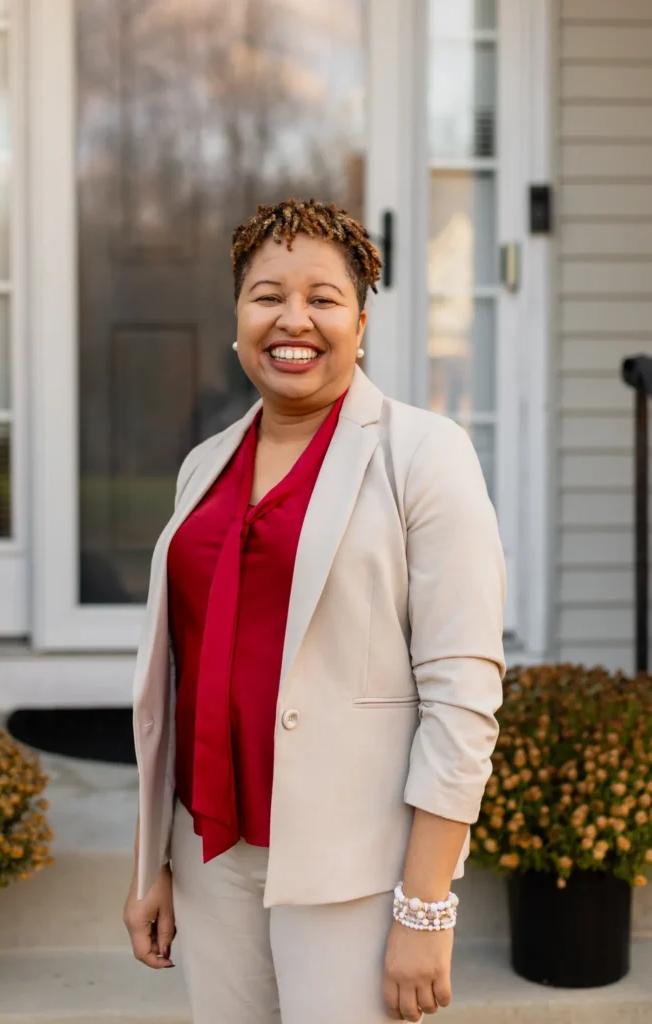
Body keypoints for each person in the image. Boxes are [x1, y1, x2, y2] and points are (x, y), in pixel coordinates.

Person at [123, 197, 506, 1023]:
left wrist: (424, 906)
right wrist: (152, 860)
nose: (292, 318)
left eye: (322, 298)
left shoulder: (423, 455)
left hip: (353, 870)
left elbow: (461, 696)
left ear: (360, 322)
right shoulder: (203, 466)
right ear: (237, 318)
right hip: (209, 852)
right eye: (266, 295)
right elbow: (178, 676)